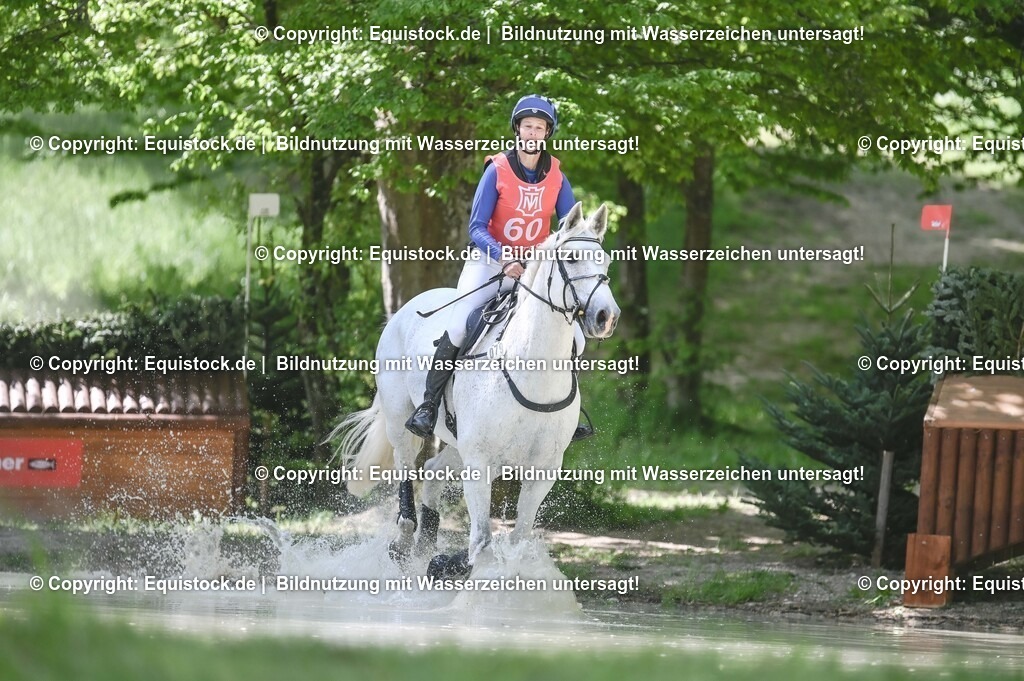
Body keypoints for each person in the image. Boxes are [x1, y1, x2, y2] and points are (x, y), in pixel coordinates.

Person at [405, 94, 592, 441]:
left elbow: (569, 227)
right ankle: (428, 406)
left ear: (547, 133)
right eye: (527, 126)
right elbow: (476, 227)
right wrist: (504, 256)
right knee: (462, 324)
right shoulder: (497, 170)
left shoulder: (557, 177)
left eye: (539, 127)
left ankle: (569, 411)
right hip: (489, 262)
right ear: (517, 130)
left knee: (576, 336)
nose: (532, 132)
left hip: (534, 271)